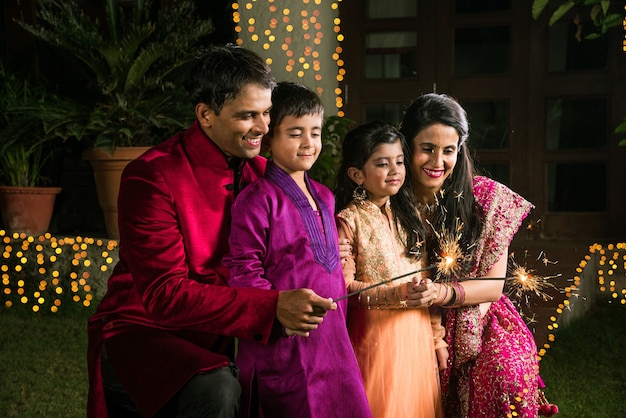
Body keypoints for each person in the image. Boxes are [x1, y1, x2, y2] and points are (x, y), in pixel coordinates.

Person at [86, 45, 338, 418]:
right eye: (247, 115)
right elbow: (164, 295)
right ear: (205, 114)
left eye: (267, 112)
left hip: (226, 337)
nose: (264, 127)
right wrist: (272, 307)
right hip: (143, 334)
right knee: (217, 389)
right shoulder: (151, 176)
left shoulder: (266, 175)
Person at [222, 81, 372, 418]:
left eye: (315, 132)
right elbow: (244, 270)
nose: (309, 143)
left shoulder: (326, 196)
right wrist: (276, 315)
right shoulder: (256, 200)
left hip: (332, 341)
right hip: (284, 344)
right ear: (269, 139)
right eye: (294, 133)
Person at [399, 93, 550, 417]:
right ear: (407, 146)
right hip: (408, 318)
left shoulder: (485, 199)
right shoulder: (391, 199)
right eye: (427, 149)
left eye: (448, 151)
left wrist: (442, 292)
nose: (437, 162)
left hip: (478, 315)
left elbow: (494, 287)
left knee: (504, 372)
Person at [334, 121, 446, 418]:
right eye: (383, 164)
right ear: (357, 174)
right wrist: (397, 293)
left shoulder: (410, 216)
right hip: (375, 339)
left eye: (399, 161)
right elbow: (344, 290)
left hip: (417, 336)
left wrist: (437, 338)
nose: (395, 170)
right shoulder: (348, 220)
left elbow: (426, 280)